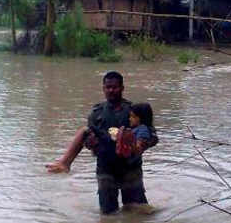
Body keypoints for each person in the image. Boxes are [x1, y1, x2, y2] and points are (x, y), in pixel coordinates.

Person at [45, 71, 158, 214]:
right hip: (106, 168)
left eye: (115, 87)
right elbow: (87, 140)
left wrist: (141, 144)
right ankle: (64, 163)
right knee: (108, 214)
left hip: (130, 168)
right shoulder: (96, 113)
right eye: (108, 87)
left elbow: (151, 133)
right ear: (103, 88)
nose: (111, 90)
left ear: (122, 88)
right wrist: (91, 144)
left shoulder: (133, 110)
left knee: (139, 211)